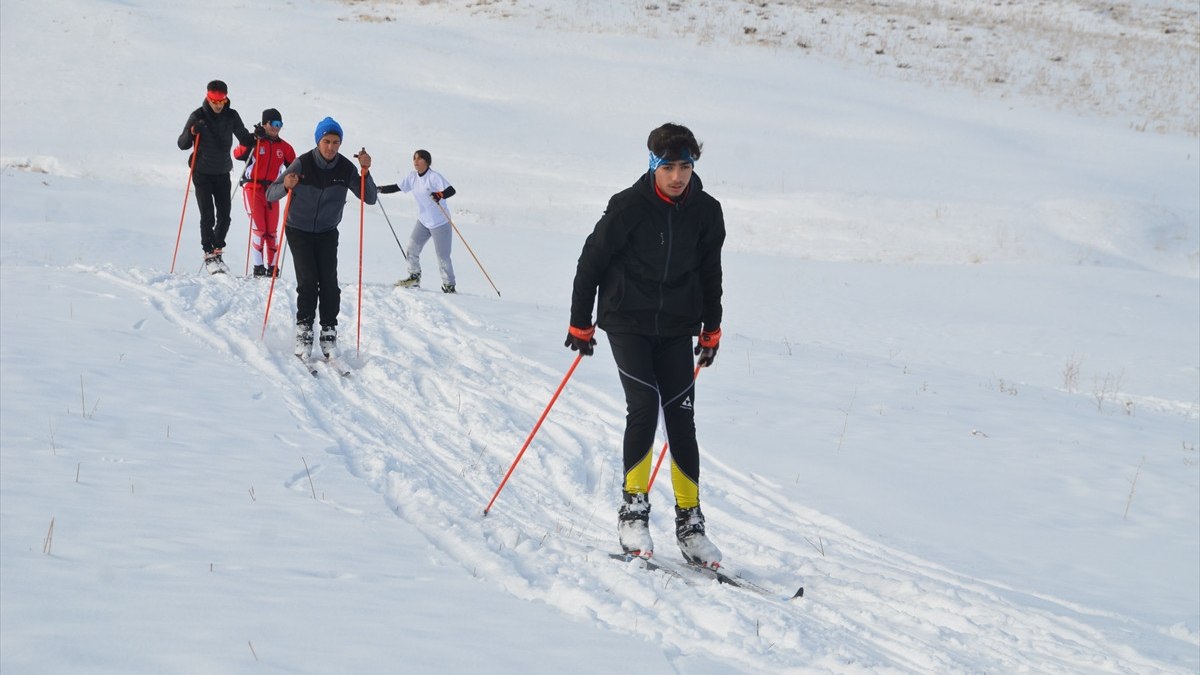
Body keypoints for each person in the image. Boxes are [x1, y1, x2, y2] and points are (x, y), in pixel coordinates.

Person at [566, 122, 727, 567]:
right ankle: (633, 511)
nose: (678, 176)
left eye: (686, 166)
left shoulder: (707, 212)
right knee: (645, 402)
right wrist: (581, 322)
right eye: (669, 167)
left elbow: (710, 273)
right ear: (653, 165)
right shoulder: (628, 207)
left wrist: (711, 327)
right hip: (626, 319)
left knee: (682, 414)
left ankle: (690, 525)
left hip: (676, 325)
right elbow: (591, 260)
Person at [266, 117, 377, 359]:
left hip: (327, 231)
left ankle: (329, 331)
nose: (331, 147)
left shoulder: (346, 168)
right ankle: (304, 330)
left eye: (336, 142)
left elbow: (369, 198)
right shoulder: (302, 163)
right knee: (308, 281)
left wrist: (365, 173)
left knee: (329, 283)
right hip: (299, 229)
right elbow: (270, 194)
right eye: (326, 141)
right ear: (318, 141)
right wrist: (285, 184)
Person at [176, 80, 254, 274]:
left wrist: (256, 135)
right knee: (208, 215)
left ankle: (218, 251)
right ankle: (209, 254)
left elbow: (244, 137)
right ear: (208, 98)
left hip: (222, 172)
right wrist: (192, 132)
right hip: (202, 172)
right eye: (214, 101)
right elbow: (182, 144)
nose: (218, 105)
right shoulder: (198, 116)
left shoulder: (231, 115)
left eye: (221, 101)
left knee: (225, 216)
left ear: (226, 98)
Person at [378, 150, 459, 293]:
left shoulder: (433, 177)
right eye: (414, 159)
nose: (416, 162)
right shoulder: (412, 177)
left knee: (443, 256)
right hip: (423, 221)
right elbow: (397, 187)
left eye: (419, 159)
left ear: (427, 162)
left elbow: (451, 190)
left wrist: (440, 194)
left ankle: (449, 285)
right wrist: (378, 189)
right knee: (411, 248)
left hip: (440, 223)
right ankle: (414, 277)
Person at [234, 108, 297, 278]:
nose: (277, 128)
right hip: (252, 188)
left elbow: (295, 166)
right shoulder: (256, 142)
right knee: (259, 229)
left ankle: (273, 267)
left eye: (280, 124)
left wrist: (296, 180)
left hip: (272, 190)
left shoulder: (284, 147)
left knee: (272, 231)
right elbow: (237, 154)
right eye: (274, 124)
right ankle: (258, 266)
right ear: (265, 123)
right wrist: (253, 138)